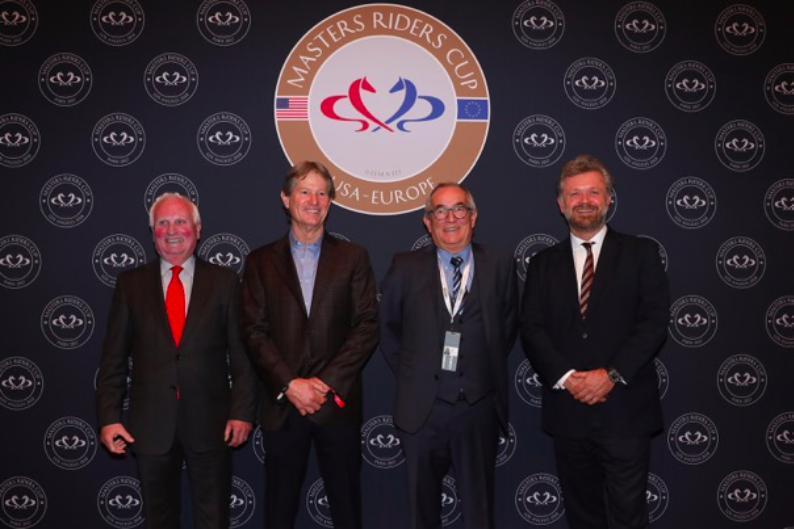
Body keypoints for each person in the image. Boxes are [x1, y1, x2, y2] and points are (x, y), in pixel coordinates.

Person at [520, 155, 670, 529]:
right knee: (582, 515)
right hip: (568, 412)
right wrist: (569, 378)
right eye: (574, 194)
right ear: (560, 203)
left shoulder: (642, 253)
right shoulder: (541, 264)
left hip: (626, 410)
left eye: (593, 192)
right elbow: (532, 328)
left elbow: (653, 323)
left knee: (628, 515)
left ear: (608, 199)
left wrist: (611, 375)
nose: (584, 200)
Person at [96, 192, 257, 528]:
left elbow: (242, 357)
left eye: (181, 221)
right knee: (160, 520)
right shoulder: (130, 284)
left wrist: (241, 412)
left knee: (214, 519)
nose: (172, 230)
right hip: (150, 427)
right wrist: (109, 417)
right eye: (163, 223)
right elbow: (113, 359)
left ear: (198, 230)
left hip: (211, 425)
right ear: (153, 234)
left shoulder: (225, 282)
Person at [240, 161, 378, 529]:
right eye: (304, 191)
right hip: (283, 408)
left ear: (330, 203)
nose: (313, 200)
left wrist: (322, 383)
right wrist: (291, 385)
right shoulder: (259, 262)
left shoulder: (353, 258)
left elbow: (366, 326)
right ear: (286, 199)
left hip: (337, 405)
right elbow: (253, 331)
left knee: (347, 511)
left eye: (321, 193)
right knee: (279, 512)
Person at [379, 182, 518, 529]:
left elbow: (508, 328)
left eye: (459, 209)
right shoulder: (404, 266)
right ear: (428, 221)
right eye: (440, 211)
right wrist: (417, 375)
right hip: (422, 413)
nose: (450, 218)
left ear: (473, 217)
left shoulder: (499, 263)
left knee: (479, 512)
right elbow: (388, 331)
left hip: (477, 407)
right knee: (420, 513)